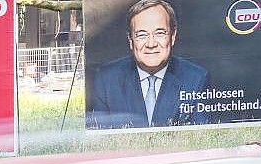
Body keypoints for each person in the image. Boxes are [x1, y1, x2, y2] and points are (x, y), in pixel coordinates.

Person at [87, 0, 209, 130]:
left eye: (160, 33)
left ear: (172, 36)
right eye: (142, 35)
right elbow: (100, 137)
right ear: (130, 40)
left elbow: (199, 136)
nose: (151, 44)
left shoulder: (196, 78)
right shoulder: (106, 79)